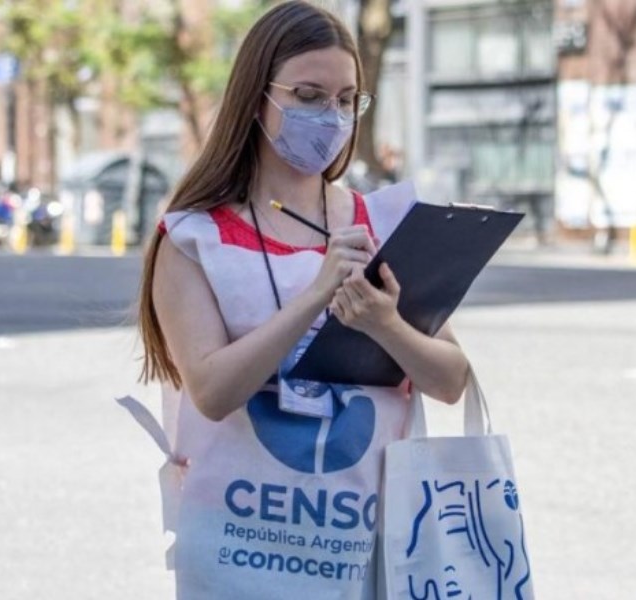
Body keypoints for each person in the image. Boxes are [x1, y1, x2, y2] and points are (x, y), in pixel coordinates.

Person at [134, 2, 469, 598]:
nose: (331, 116)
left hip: (362, 543)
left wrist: (386, 324)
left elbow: (450, 378)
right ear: (256, 98)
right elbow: (212, 391)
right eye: (309, 96)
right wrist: (316, 295)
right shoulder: (193, 236)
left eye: (346, 100)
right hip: (240, 547)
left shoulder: (382, 222)